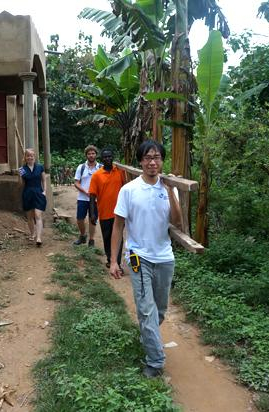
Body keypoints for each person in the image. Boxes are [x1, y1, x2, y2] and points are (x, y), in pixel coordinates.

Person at [109, 140, 183, 378]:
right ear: (140, 161)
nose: (152, 162)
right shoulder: (129, 190)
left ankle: (148, 334)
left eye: (157, 157)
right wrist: (114, 260)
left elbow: (179, 222)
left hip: (165, 257)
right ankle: (155, 361)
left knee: (159, 309)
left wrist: (171, 189)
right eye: (148, 158)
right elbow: (118, 226)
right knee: (145, 309)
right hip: (137, 257)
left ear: (162, 161)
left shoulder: (169, 188)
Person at [89, 148, 126, 271]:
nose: (108, 159)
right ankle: (110, 258)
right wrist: (93, 214)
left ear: (113, 157)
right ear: (102, 159)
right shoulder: (96, 176)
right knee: (107, 237)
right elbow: (92, 196)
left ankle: (117, 262)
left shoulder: (120, 172)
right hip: (104, 212)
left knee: (119, 236)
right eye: (105, 157)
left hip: (119, 213)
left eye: (109, 156)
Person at [73, 145, 101, 246]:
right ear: (86, 155)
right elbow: (76, 182)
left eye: (93, 153)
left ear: (96, 155)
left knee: (92, 219)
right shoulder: (81, 167)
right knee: (80, 218)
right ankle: (83, 235)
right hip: (82, 198)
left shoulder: (101, 168)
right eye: (89, 153)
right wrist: (85, 192)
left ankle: (92, 240)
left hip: (96, 199)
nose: (91, 155)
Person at [19, 148, 47, 247]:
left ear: (34, 157)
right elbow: (22, 183)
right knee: (30, 217)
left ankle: (39, 238)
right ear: (25, 157)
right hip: (28, 193)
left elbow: (44, 180)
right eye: (28, 155)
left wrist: (45, 191)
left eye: (32, 155)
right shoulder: (22, 169)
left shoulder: (40, 167)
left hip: (38, 193)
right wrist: (22, 193)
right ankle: (32, 233)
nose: (30, 157)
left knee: (38, 215)